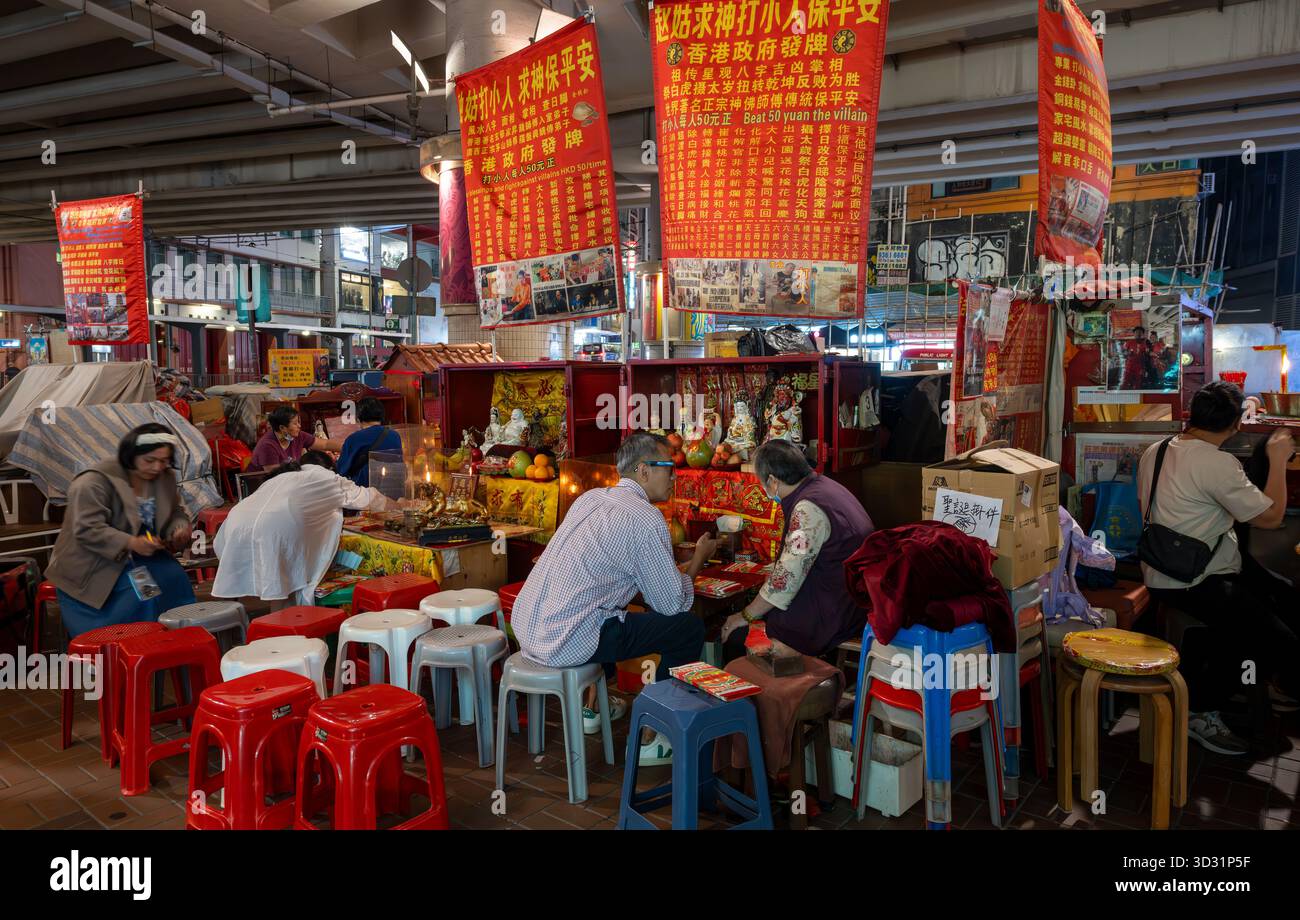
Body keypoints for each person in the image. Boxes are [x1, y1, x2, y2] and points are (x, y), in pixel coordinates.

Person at [510, 432, 716, 765]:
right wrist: (698, 560)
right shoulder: (646, 519)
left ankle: (593, 708)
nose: (675, 477)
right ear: (645, 471)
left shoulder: (591, 499)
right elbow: (672, 604)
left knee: (610, 606)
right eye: (669, 467)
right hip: (568, 638)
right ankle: (656, 734)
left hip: (530, 624)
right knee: (687, 629)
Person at [1137, 380, 1298, 755]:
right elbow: (1271, 518)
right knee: (1263, 632)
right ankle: (1201, 710)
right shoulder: (1217, 463)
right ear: (1236, 424)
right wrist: (1277, 461)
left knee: (1278, 593)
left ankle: (1272, 682)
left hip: (1160, 569)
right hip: (1196, 579)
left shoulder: (1156, 450)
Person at [720, 439, 874, 662]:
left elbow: (784, 581)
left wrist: (743, 616)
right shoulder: (827, 487)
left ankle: (759, 694)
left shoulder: (808, 510)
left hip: (834, 612)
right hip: (853, 599)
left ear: (772, 481)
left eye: (762, 482)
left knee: (736, 635)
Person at [45, 424, 196, 638]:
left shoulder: (164, 478)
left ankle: (177, 643)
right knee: (145, 594)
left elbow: (174, 512)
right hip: (95, 563)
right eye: (150, 460)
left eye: (163, 461)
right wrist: (131, 543)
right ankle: (136, 648)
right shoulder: (94, 482)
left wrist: (178, 528)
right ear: (131, 456)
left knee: (175, 579)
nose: (156, 467)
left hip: (142, 556)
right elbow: (87, 529)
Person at [212, 450, 394, 607]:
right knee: (281, 586)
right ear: (330, 468)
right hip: (273, 528)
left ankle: (272, 630)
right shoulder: (325, 476)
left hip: (236, 524)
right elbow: (368, 498)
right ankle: (285, 633)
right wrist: (401, 505)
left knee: (278, 586)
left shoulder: (281, 477)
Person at [250, 406, 343, 471]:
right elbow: (275, 478)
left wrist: (348, 447)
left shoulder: (298, 436)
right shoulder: (267, 446)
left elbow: (325, 444)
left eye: (299, 422)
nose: (299, 426)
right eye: (295, 423)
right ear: (282, 428)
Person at [336, 397, 402, 486]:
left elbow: (342, 470)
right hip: (392, 487)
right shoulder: (395, 435)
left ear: (358, 419)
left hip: (364, 491)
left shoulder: (354, 438)